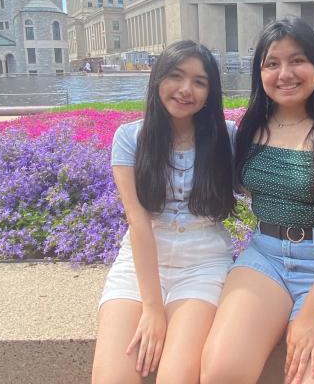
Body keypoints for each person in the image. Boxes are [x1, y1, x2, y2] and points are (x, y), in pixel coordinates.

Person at [201, 18, 314, 384]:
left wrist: (311, 315)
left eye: (297, 60)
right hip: (265, 257)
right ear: (260, 72)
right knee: (222, 373)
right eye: (272, 63)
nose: (285, 73)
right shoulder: (249, 129)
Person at [91, 40, 237, 384]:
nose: (186, 90)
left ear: (210, 92)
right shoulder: (130, 138)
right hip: (139, 263)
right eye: (176, 76)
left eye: (199, 82)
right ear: (158, 79)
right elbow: (137, 222)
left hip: (204, 264)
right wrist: (152, 309)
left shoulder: (226, 137)